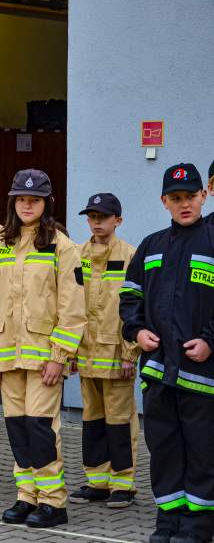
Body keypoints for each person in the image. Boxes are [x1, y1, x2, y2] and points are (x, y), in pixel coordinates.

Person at [0, 169, 85, 528]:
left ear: (46, 203)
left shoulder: (60, 245)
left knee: (41, 428)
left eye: (34, 199)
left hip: (43, 357)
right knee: (18, 428)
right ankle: (27, 495)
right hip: (7, 354)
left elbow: (72, 308)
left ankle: (53, 502)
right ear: (12, 202)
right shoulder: (0, 244)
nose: (27, 205)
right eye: (21, 199)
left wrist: (60, 356)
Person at [120, 163, 214, 543]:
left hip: (202, 375)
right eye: (176, 198)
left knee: (202, 453)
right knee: (164, 450)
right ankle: (169, 520)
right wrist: (137, 330)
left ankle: (199, 526)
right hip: (158, 374)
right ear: (164, 201)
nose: (184, 204)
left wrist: (210, 339)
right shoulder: (151, 245)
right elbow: (129, 297)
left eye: (190, 196)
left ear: (204, 196)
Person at [69, 193, 140, 509]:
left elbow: (137, 308)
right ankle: (97, 481)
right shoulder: (76, 255)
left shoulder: (130, 256)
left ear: (118, 220)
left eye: (103, 216)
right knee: (93, 420)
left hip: (115, 353)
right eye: (92, 216)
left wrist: (130, 351)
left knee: (119, 421)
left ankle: (123, 484)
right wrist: (68, 350)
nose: (96, 222)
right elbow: (69, 305)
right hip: (86, 352)